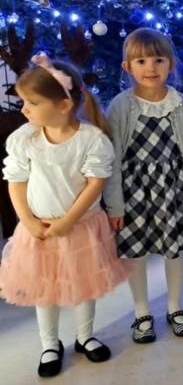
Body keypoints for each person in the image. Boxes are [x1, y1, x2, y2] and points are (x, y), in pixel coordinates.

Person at [0, 55, 129, 378]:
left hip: (80, 228)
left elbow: (95, 183)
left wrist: (68, 221)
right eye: (24, 102)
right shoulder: (25, 138)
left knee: (83, 284)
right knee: (45, 289)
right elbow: (16, 181)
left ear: (63, 105)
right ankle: (49, 344)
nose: (24, 110)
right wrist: (28, 221)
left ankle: (85, 336)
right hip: (38, 229)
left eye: (32, 103)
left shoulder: (91, 139)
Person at [103, 28, 183, 343]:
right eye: (141, 61)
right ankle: (142, 313)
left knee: (173, 250)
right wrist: (115, 204)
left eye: (159, 60)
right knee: (135, 252)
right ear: (127, 67)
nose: (151, 68)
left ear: (171, 64)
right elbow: (112, 157)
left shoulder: (182, 104)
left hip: (172, 189)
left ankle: (175, 307)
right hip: (133, 192)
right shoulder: (121, 106)